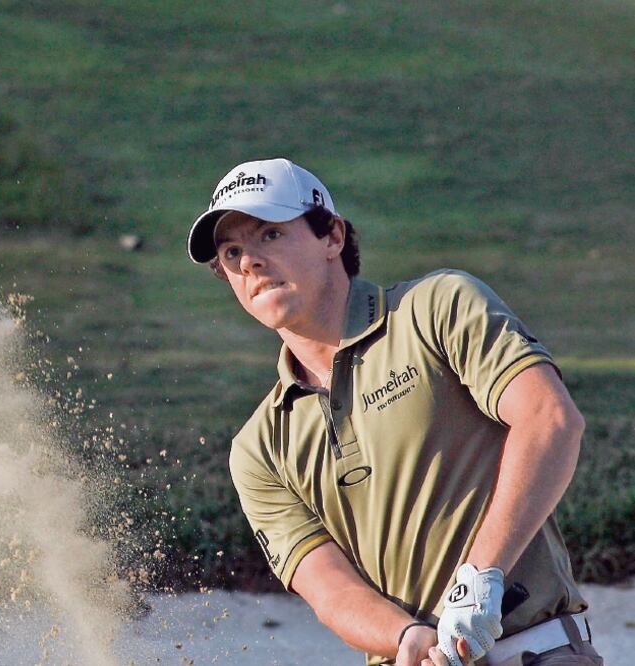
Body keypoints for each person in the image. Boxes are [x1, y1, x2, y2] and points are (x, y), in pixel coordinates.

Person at [186, 158, 602, 666]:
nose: (249, 262)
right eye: (232, 253)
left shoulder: (435, 309)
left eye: (270, 235)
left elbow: (549, 420)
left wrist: (481, 577)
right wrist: (406, 637)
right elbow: (329, 589)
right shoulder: (259, 448)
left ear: (332, 236)